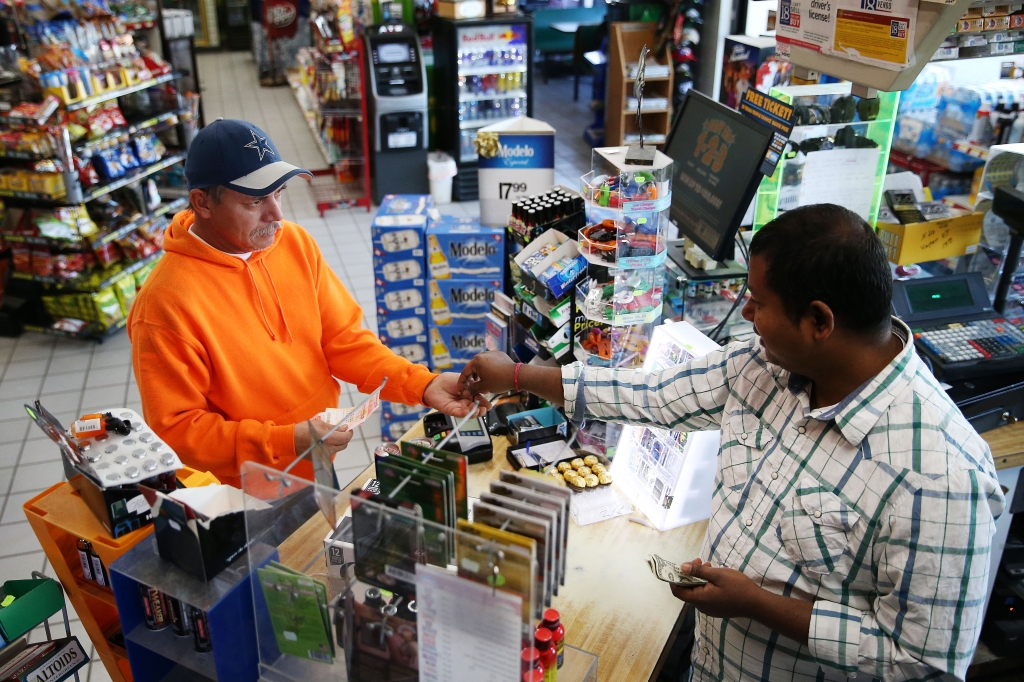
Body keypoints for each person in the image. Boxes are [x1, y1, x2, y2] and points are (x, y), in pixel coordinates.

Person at [458, 203, 1005, 681]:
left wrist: (757, 604)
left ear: (819, 320)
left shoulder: (940, 475)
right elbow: (655, 395)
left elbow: (919, 658)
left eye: (759, 303)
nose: (746, 315)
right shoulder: (768, 364)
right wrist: (518, 377)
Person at [128, 119, 476, 486]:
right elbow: (178, 431)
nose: (276, 216)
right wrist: (287, 440)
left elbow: (344, 342)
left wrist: (423, 384)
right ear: (202, 203)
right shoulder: (164, 305)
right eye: (255, 201)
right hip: (242, 490)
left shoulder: (295, 243)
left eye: (278, 194)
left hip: (317, 458)